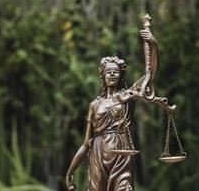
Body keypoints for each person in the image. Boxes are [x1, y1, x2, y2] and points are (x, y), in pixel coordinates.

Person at [66, 29, 173, 191]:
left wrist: (154, 45)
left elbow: (150, 74)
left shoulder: (128, 95)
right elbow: (85, 144)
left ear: (120, 76)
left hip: (122, 152)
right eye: (109, 72)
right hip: (98, 153)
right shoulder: (94, 105)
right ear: (102, 75)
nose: (112, 75)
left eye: (116, 73)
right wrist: (70, 172)